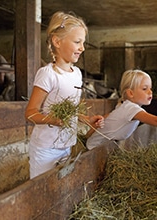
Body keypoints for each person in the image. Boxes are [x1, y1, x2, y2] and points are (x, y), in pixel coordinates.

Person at [25, 11, 104, 179]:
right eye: (77, 42)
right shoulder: (47, 74)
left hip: (67, 145)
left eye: (83, 42)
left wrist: (86, 120)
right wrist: (54, 120)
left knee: (59, 190)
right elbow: (30, 113)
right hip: (45, 148)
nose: (82, 48)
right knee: (42, 191)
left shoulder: (77, 74)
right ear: (57, 41)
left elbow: (72, 110)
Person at [86, 69, 157, 149]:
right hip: (95, 148)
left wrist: (89, 133)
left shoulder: (124, 105)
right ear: (130, 93)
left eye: (150, 88)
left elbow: (108, 116)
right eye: (145, 89)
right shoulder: (131, 109)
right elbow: (156, 121)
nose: (150, 92)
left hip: (96, 145)